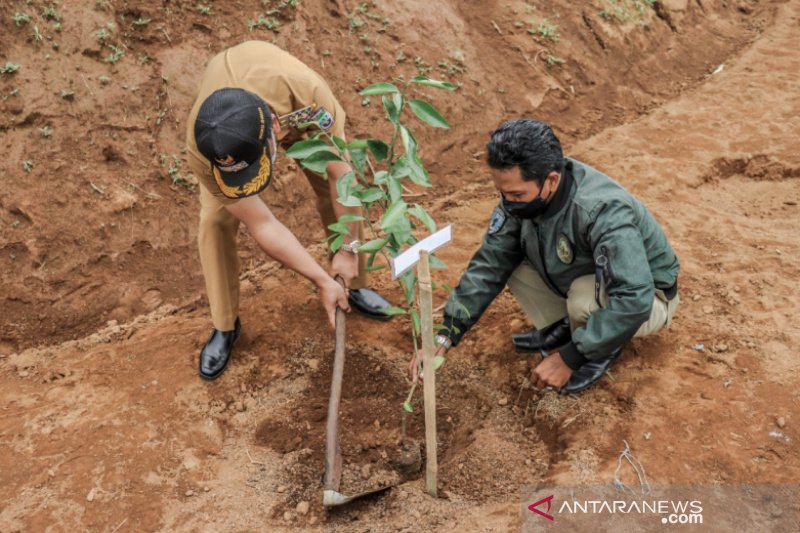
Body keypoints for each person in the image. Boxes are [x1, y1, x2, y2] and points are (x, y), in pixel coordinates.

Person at [415, 118, 680, 394]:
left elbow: (634, 297)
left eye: (516, 193)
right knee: (510, 260)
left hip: (650, 298)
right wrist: (446, 335)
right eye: (502, 193)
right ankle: (567, 327)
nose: (507, 202)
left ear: (551, 180)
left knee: (583, 298)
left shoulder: (604, 211)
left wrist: (570, 358)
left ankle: (598, 349)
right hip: (596, 273)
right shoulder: (524, 199)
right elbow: (490, 262)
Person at [186, 41, 393, 380]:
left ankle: (354, 283)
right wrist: (319, 279)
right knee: (214, 221)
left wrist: (349, 248)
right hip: (237, 123)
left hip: (300, 115)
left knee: (331, 189)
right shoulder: (204, 145)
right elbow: (262, 223)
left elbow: (343, 179)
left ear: (275, 132)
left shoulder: (309, 93)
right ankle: (225, 325)